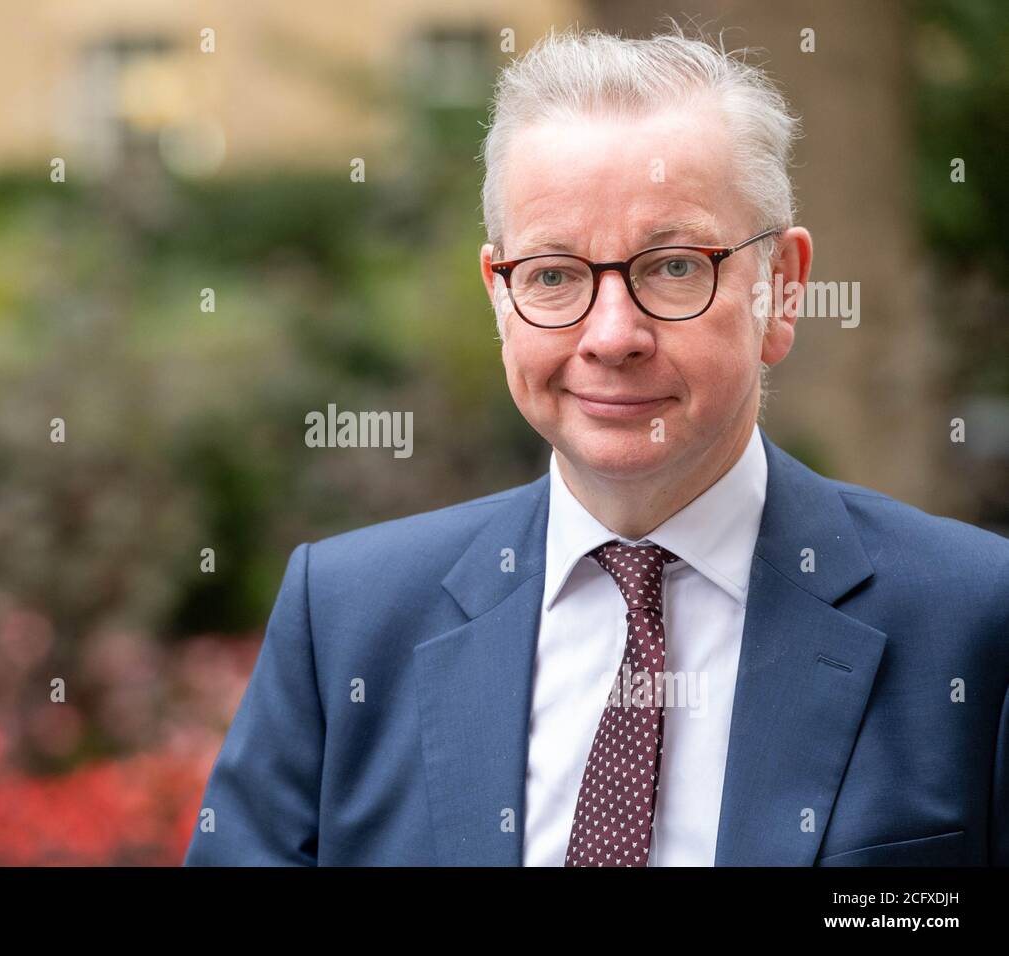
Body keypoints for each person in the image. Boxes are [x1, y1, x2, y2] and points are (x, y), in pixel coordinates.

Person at [183, 25, 1009, 866]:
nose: (612, 336)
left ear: (782, 289)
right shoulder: (348, 621)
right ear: (500, 298)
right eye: (553, 274)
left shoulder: (977, 620)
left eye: (674, 267)